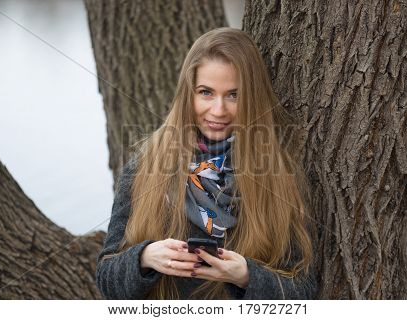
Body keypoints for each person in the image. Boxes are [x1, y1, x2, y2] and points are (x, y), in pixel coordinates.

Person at [96, 27, 319, 299]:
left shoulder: (278, 173)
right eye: (206, 92)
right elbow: (107, 278)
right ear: (188, 94)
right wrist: (143, 258)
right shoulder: (145, 166)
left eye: (234, 95)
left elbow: (304, 291)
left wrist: (247, 276)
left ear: (253, 97)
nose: (218, 110)